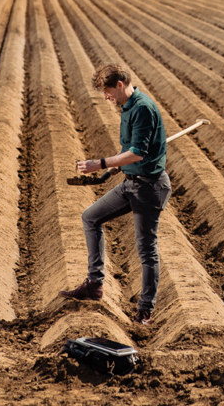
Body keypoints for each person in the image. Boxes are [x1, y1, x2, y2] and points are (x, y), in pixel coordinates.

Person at [59, 64, 171, 325]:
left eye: (107, 92)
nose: (105, 97)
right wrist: (116, 168)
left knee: (146, 249)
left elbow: (138, 153)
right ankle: (94, 284)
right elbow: (131, 151)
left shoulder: (142, 108)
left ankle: (145, 311)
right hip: (133, 183)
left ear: (120, 85)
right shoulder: (129, 107)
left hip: (150, 188)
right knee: (91, 217)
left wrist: (100, 163)